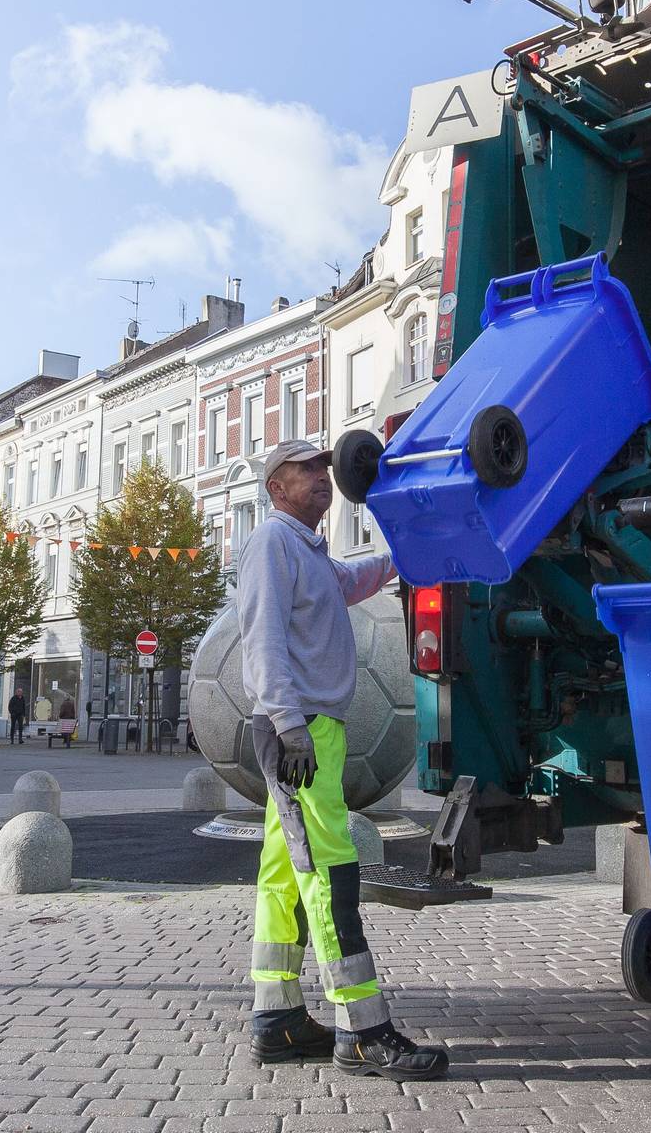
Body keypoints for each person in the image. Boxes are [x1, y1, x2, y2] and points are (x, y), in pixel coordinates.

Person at [234, 439, 447, 1081]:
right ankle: (361, 1030)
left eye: (325, 469)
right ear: (275, 487)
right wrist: (291, 727)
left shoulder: (307, 551)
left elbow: (350, 582)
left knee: (283, 873)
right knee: (330, 870)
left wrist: (398, 560)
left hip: (305, 729)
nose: (323, 478)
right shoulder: (272, 544)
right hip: (297, 734)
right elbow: (262, 638)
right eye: (306, 470)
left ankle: (277, 1019)